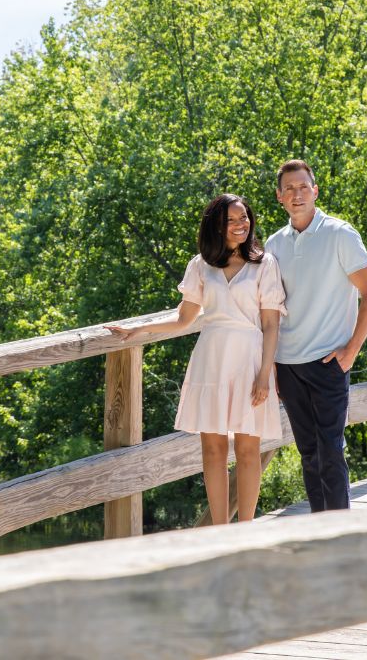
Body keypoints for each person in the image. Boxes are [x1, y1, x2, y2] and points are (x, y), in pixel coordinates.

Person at [106, 194, 286, 524]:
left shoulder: (265, 264)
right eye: (231, 220)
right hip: (212, 359)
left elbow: (271, 323)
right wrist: (137, 331)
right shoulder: (200, 266)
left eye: (244, 218)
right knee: (213, 451)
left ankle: (245, 530)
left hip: (250, 359)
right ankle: (220, 530)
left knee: (248, 450)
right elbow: (183, 319)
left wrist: (264, 376)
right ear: (216, 225)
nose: (240, 225)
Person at [265, 160, 367, 512]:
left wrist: (351, 352)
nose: (297, 195)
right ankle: (320, 530)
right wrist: (271, 365)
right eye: (289, 189)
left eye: (303, 187)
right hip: (288, 363)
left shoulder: (340, 234)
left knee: (331, 451)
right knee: (309, 453)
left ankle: (340, 535)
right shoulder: (274, 245)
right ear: (280, 197)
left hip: (329, 360)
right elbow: (269, 310)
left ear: (315, 191)